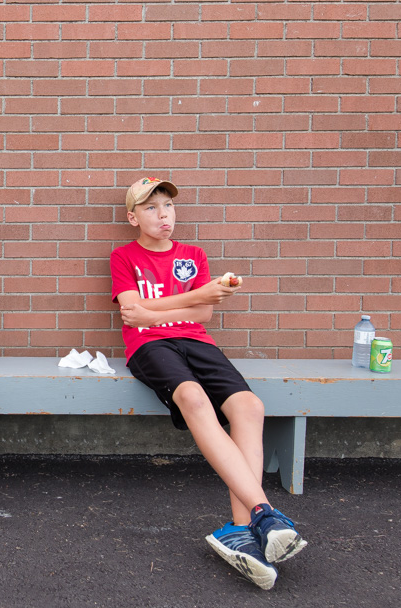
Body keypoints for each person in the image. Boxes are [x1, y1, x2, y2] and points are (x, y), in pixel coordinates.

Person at [109, 177, 307, 589]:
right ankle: (263, 514)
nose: (163, 214)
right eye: (150, 208)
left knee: (250, 407)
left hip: (196, 342)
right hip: (150, 348)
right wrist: (195, 297)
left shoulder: (192, 254)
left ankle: (243, 530)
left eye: (167, 205)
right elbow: (132, 314)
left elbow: (204, 316)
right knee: (194, 399)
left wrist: (156, 310)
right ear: (133, 217)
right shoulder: (124, 256)